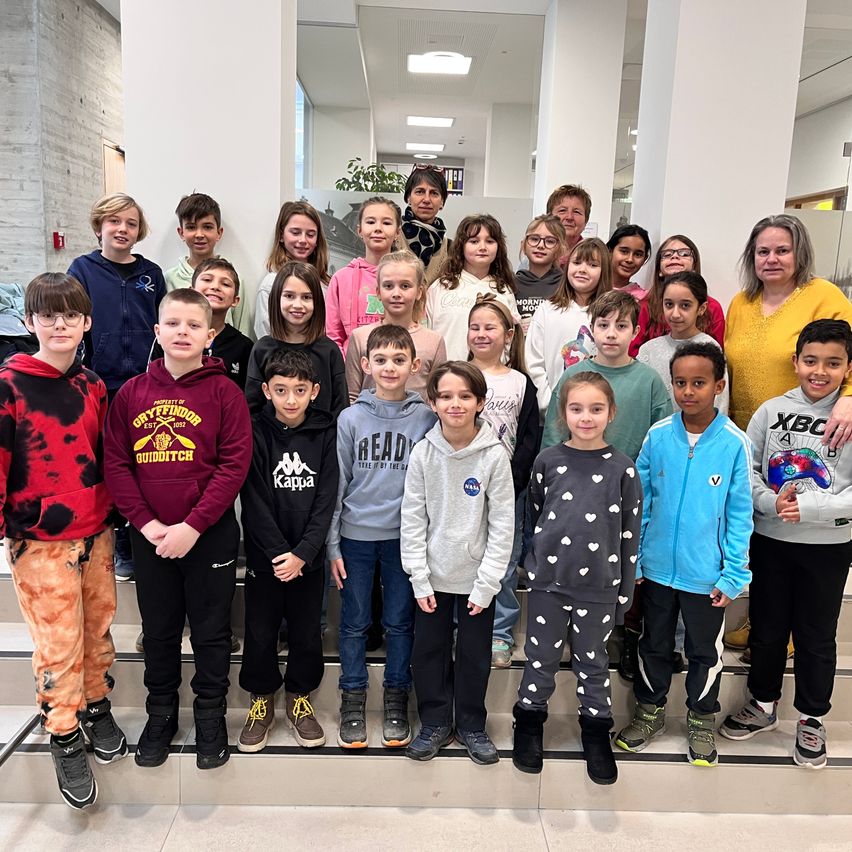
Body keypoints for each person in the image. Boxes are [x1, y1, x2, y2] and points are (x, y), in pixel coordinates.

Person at [104, 288, 251, 770]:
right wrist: (145, 524)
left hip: (208, 535)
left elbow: (233, 466)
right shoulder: (130, 394)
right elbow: (118, 465)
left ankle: (209, 716)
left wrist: (193, 524)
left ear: (211, 334)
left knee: (211, 633)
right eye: (173, 323)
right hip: (150, 538)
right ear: (157, 331)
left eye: (193, 325)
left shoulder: (225, 392)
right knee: (160, 631)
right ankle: (160, 714)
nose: (182, 332)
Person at [2, 273, 125, 810]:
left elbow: (101, 452)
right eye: (47, 315)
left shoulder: (91, 385)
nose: (59, 324)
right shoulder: (8, 384)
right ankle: (64, 730)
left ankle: (96, 703)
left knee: (98, 627)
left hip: (94, 530)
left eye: (69, 315)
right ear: (29, 322)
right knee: (58, 640)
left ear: (86, 323)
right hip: (38, 537)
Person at [720, 320, 852, 769]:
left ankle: (812, 717)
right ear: (795, 362)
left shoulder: (849, 416)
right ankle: (762, 703)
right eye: (811, 360)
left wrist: (813, 510)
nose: (819, 371)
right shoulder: (770, 410)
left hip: (828, 545)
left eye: (833, 363)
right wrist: (770, 502)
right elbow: (749, 468)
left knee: (816, 635)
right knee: (768, 626)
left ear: (847, 367)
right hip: (772, 538)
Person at [615, 342, 753, 767]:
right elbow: (642, 501)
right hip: (655, 571)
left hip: (706, 577)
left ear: (719, 386)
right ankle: (649, 711)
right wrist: (635, 557)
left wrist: (733, 574)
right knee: (653, 643)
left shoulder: (734, 443)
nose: (688, 391)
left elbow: (740, 514)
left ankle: (700, 718)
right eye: (680, 382)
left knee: (703, 652)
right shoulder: (658, 436)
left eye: (699, 382)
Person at [723, 214, 852, 654]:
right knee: (759, 529)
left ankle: (793, 628)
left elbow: (842, 354)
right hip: (749, 430)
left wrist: (850, 396)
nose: (772, 259)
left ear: (800, 253)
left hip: (805, 435)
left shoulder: (824, 296)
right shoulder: (742, 302)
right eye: (763, 251)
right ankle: (764, 615)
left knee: (792, 519)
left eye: (782, 250)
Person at [512, 372, 642, 785]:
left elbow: (629, 534)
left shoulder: (624, 469)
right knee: (541, 660)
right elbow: (534, 515)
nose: (586, 417)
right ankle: (529, 724)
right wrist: (531, 564)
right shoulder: (547, 460)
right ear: (563, 413)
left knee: (593, 662)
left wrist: (623, 591)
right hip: (549, 582)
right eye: (577, 408)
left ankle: (596, 732)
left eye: (596, 409)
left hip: (600, 588)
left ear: (611, 413)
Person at [329, 325, 437, 749]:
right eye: (381, 360)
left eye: (398, 360)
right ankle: (352, 698)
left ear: (415, 366)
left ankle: (396, 697)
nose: (389, 367)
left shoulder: (427, 418)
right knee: (354, 623)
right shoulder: (350, 417)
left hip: (404, 541)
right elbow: (338, 483)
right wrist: (333, 542)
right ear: (365, 365)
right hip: (355, 537)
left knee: (399, 622)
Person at [401, 361, 515, 764]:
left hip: (476, 582)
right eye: (446, 396)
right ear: (432, 402)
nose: (455, 404)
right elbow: (412, 518)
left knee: (474, 655)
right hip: (431, 579)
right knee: (427, 652)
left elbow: (503, 524)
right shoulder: (423, 454)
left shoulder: (494, 457)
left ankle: (470, 724)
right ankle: (434, 722)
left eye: (465, 396)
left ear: (480, 402)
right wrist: (419, 577)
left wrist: (487, 584)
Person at [237, 350, 338, 753]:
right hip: (266, 558)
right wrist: (280, 553)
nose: (291, 399)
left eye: (299, 390)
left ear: (314, 391)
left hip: (307, 560)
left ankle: (299, 697)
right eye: (281, 391)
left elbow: (327, 496)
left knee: (305, 632)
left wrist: (304, 553)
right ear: (267, 390)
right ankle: (261, 699)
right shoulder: (255, 430)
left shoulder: (325, 431)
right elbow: (253, 497)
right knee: (260, 632)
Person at [68, 192, 166, 582]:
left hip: (143, 387)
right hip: (101, 386)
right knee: (111, 467)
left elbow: (164, 329)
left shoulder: (151, 274)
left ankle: (136, 542)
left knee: (143, 463)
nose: (122, 229)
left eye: (130, 223)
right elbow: (74, 322)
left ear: (139, 230)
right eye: (114, 222)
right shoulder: (83, 269)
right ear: (99, 227)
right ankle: (113, 543)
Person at [466, 295, 538, 668]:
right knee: (463, 558)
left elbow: (528, 437)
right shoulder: (457, 375)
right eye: (474, 327)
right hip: (462, 486)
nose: (481, 334)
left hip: (509, 486)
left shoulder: (520, 382)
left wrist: (511, 478)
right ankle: (461, 628)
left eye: (489, 327)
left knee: (505, 563)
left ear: (508, 334)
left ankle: (500, 634)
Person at [542, 290, 670, 457]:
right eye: (603, 325)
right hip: (575, 477)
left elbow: (662, 443)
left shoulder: (650, 381)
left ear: (635, 332)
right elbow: (553, 436)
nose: (611, 334)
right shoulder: (572, 376)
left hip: (631, 479)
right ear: (592, 329)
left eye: (621, 326)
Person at [245, 261, 347, 418]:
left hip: (321, 441)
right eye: (289, 296)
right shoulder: (262, 349)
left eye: (306, 297)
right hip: (270, 441)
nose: (297, 305)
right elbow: (252, 410)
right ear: (276, 298)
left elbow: (340, 410)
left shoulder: (329, 351)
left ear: (318, 302)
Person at [526, 237, 611, 419]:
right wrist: (549, 403)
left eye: (592, 265)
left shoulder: (610, 315)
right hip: (550, 413)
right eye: (577, 262)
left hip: (594, 417)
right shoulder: (547, 310)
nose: (582, 269)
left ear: (604, 271)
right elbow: (533, 362)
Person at [345, 250, 446, 402]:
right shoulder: (360, 337)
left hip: (419, 424)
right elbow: (352, 395)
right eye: (388, 286)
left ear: (419, 292)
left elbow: (438, 397)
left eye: (405, 286)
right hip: (369, 424)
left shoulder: (434, 342)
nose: (396, 293)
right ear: (378, 292)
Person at [426, 214, 518, 360]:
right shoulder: (440, 287)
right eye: (474, 241)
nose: (482, 247)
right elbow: (427, 333)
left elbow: (511, 343)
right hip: (447, 375)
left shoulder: (504, 291)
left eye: (489, 241)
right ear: (461, 246)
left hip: (490, 378)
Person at [151, 257, 253, 390]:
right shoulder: (171, 336)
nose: (215, 287)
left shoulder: (244, 346)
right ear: (191, 290)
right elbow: (152, 384)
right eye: (207, 280)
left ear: (235, 300)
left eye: (225, 284)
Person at [637, 271, 729, 413]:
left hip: (700, 432)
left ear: (701, 308)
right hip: (658, 432)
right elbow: (641, 401)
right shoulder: (648, 350)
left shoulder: (710, 349)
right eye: (669, 304)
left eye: (685, 306)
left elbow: (720, 404)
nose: (675, 314)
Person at [326, 196, 402, 355]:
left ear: (397, 232)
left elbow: (415, 326)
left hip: (394, 370)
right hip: (352, 371)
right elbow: (333, 335)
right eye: (370, 222)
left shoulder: (407, 278)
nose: (378, 228)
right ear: (359, 230)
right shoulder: (341, 278)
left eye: (387, 223)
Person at [629, 235, 725, 356]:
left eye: (684, 254)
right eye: (667, 254)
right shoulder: (644, 306)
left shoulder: (712, 307)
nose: (675, 256)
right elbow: (633, 353)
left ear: (694, 266)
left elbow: (716, 359)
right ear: (659, 270)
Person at [255, 201, 330, 339]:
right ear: (281, 235)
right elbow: (265, 333)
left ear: (318, 239)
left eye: (310, 234)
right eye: (295, 232)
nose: (303, 240)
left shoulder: (326, 285)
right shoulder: (271, 284)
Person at [514, 215, 566, 333]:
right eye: (534, 239)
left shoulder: (566, 285)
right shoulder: (511, 284)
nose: (541, 245)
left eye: (550, 241)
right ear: (524, 245)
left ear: (560, 249)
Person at [401, 165, 451, 284]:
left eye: (434, 193)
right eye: (420, 192)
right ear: (408, 197)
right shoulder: (392, 238)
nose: (427, 199)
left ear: (442, 202)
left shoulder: (450, 248)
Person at [606, 224, 652, 300]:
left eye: (638, 254)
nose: (630, 259)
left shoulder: (643, 299)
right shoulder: (590, 288)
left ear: (645, 259)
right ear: (610, 251)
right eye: (624, 251)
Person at [546, 184, 592, 255]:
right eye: (562, 210)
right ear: (549, 217)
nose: (569, 217)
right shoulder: (535, 256)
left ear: (586, 220)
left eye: (576, 212)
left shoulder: (594, 257)